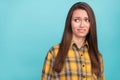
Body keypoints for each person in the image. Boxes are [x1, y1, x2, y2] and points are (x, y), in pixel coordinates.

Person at [41, 2, 105, 80]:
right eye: (76, 20)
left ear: (91, 24)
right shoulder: (54, 52)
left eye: (87, 20)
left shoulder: (98, 57)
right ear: (70, 23)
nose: (82, 25)